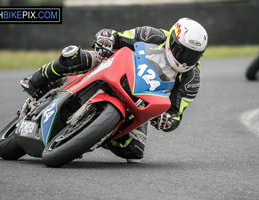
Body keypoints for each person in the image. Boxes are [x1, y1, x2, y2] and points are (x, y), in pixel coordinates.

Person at [20, 18, 208, 163]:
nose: (184, 59)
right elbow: (116, 36)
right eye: (182, 51)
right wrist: (107, 39)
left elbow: (176, 112)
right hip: (115, 68)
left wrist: (168, 120)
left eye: (192, 55)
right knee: (77, 57)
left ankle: (93, 135)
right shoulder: (153, 35)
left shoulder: (191, 80)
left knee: (135, 151)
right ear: (172, 39)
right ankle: (36, 80)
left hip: (137, 102)